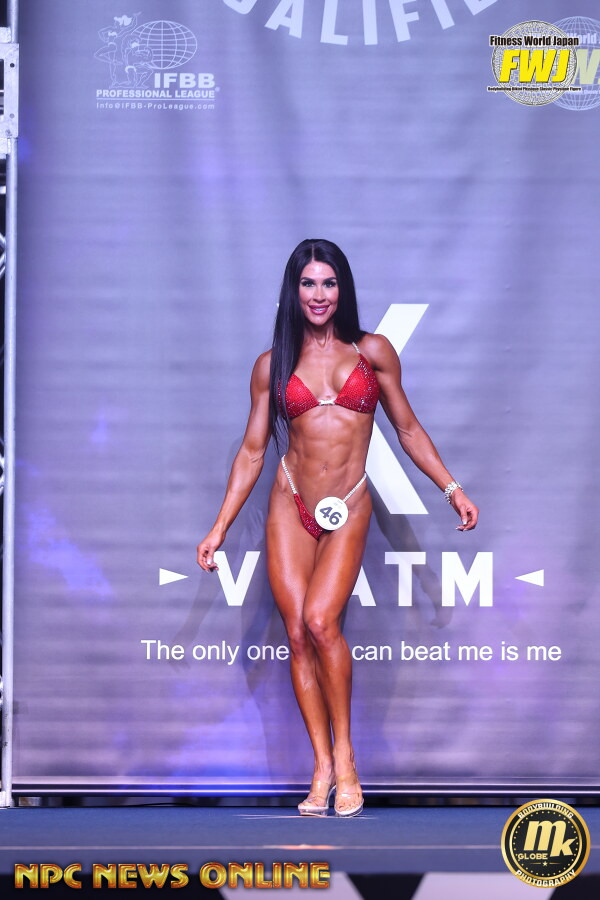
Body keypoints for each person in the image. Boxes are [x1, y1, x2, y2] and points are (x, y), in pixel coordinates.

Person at [197, 238, 478, 817]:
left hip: (349, 504)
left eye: (328, 283)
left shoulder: (373, 352)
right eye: (308, 284)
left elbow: (408, 429)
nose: (319, 294)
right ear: (294, 291)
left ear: (342, 288)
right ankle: (321, 766)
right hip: (290, 502)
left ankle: (346, 759)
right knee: (297, 633)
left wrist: (452, 488)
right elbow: (252, 451)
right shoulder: (273, 364)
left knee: (322, 621)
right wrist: (220, 526)